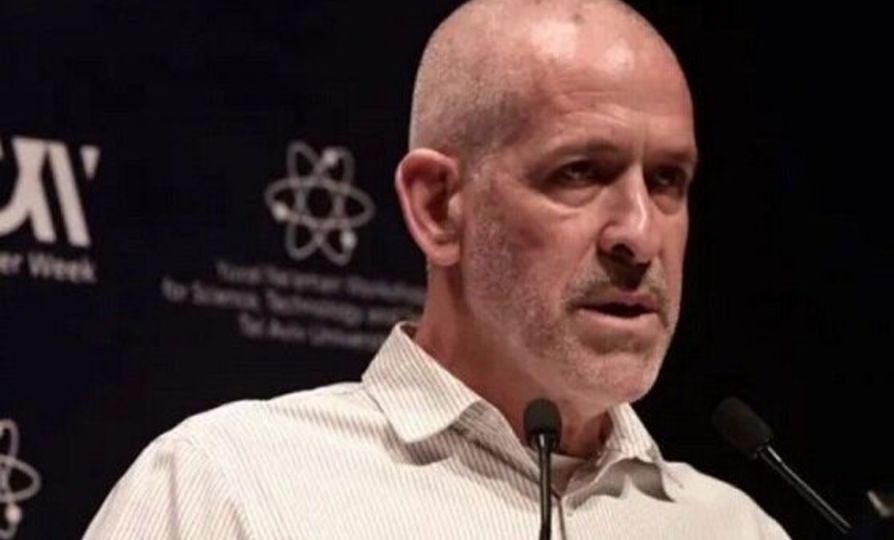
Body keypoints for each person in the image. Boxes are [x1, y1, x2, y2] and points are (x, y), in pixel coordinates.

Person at [84, 0, 789, 538]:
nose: (639, 233)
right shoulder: (228, 487)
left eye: (667, 181)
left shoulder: (737, 527)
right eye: (579, 172)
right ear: (438, 207)